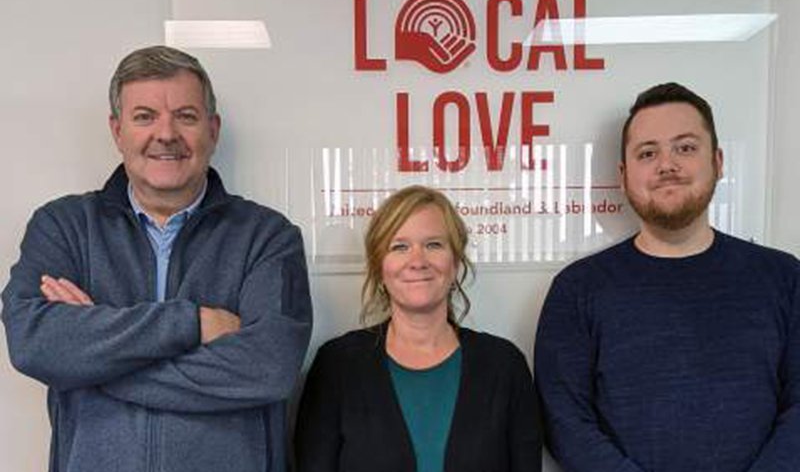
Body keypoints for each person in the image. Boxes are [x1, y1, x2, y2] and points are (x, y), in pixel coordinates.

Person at [1, 45, 313, 472]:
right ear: (117, 131)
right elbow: (33, 343)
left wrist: (95, 361)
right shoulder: (64, 228)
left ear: (213, 129)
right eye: (144, 116)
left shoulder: (267, 237)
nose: (166, 134)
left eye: (186, 116)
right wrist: (192, 323)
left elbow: (269, 368)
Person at [534, 82, 800, 472]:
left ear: (718, 161)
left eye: (686, 148)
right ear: (624, 175)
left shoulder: (784, 278)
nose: (667, 165)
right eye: (648, 153)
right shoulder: (578, 290)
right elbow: (565, 421)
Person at [294, 185, 541, 472]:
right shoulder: (336, 365)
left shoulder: (504, 366)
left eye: (434, 245)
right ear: (379, 268)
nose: (417, 261)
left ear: (456, 262)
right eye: (399, 247)